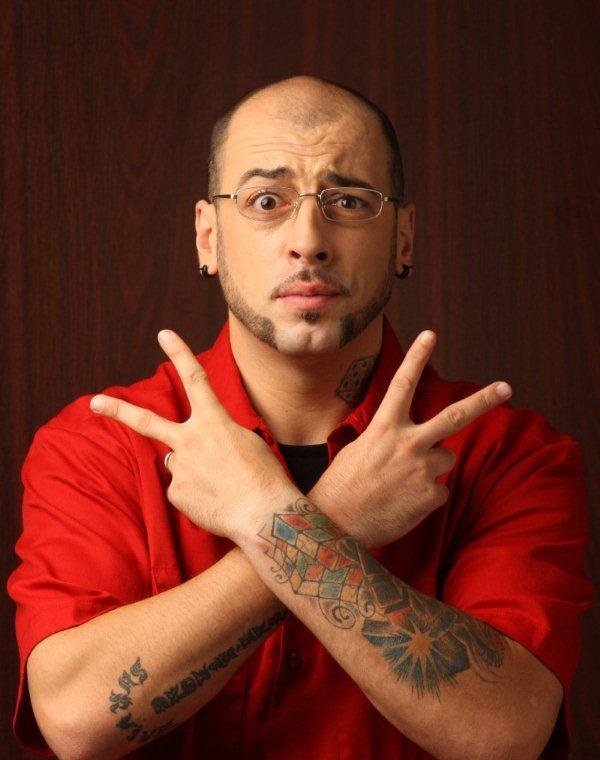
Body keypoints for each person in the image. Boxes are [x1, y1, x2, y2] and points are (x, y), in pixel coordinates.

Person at [7, 75, 594, 760]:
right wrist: (340, 516)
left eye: (349, 201)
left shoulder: (511, 453)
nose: (308, 241)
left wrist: (264, 519)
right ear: (207, 236)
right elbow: (77, 721)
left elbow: (504, 737)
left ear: (403, 237)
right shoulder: (100, 443)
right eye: (266, 201)